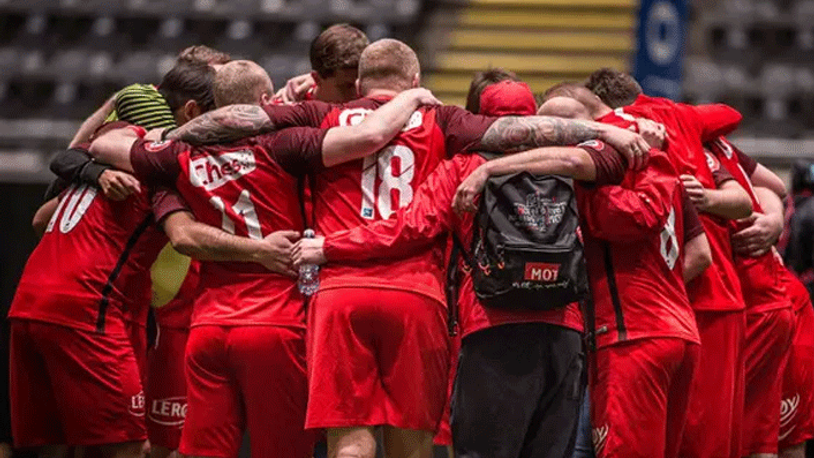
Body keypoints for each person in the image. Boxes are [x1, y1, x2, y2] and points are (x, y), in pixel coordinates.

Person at [167, 39, 650, 458]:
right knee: (412, 438)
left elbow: (242, 117)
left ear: (358, 86)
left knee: (349, 440)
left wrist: (172, 137)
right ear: (414, 79)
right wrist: (601, 130)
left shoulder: (322, 117)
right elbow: (517, 132)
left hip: (340, 293)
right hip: (416, 293)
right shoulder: (444, 121)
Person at [88, 59, 444, 458]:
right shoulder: (286, 146)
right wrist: (414, 95)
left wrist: (170, 136)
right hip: (276, 320)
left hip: (207, 325)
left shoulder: (178, 157)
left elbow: (101, 147)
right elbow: (370, 135)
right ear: (263, 102)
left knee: (201, 452)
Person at [291, 133, 630, 458]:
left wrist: (330, 246)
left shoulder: (462, 167)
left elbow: (413, 225)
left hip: (490, 327)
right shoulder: (570, 164)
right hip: (564, 330)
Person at [706, 136, 795, 458]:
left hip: (758, 303)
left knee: (759, 436)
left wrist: (772, 220)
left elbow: (771, 187)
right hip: (761, 301)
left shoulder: (685, 138)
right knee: (756, 436)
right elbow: (771, 187)